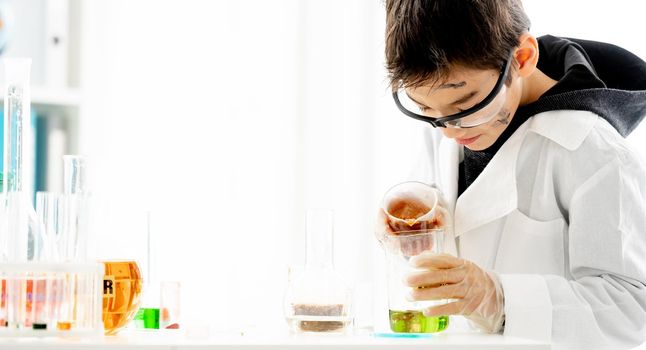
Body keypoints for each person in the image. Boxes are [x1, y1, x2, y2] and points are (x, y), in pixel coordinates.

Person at [378, 0, 646, 349]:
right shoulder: (447, 122)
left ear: (521, 58)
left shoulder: (593, 149)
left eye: (465, 105)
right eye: (426, 109)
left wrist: (499, 299)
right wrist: (412, 219)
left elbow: (633, 311)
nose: (449, 130)